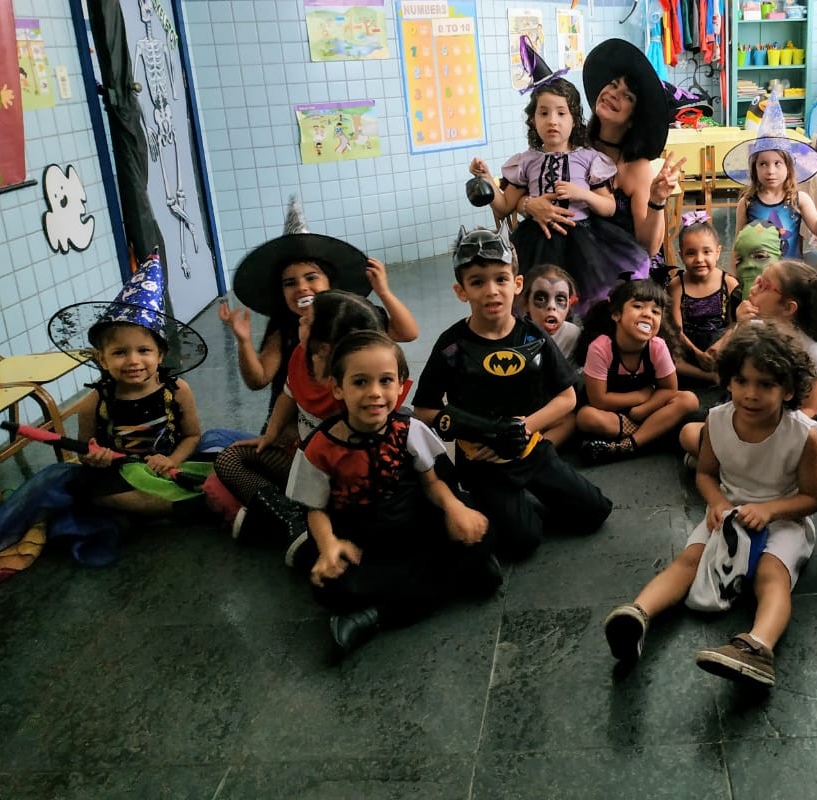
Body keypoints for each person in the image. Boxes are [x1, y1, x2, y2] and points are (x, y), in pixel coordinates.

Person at [603, 323, 817, 688]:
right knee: (688, 560)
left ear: (787, 390)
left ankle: (759, 646)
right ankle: (637, 615)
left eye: (765, 384)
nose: (750, 394)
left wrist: (769, 511)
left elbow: (812, 499)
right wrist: (718, 502)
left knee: (772, 575)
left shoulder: (802, 434)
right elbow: (705, 473)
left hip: (784, 519)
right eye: (741, 381)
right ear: (728, 380)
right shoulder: (716, 421)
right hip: (728, 512)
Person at [286, 331, 501, 657]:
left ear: (401, 386)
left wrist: (455, 508)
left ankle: (373, 615)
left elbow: (432, 484)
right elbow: (315, 509)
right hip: (363, 543)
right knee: (329, 586)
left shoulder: (409, 429)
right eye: (360, 382)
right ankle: (455, 582)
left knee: (481, 528)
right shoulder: (320, 447)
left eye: (385, 381)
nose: (374, 393)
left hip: (413, 528)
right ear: (337, 387)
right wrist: (329, 545)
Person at [412, 227, 612, 561]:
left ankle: (513, 504)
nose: (492, 290)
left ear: (517, 284)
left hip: (531, 449)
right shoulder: (451, 346)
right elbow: (423, 410)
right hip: (482, 462)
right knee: (523, 541)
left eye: (501, 279)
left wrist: (525, 427)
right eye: (477, 282)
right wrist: (479, 430)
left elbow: (567, 398)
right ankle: (474, 500)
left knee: (595, 511)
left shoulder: (533, 336)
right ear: (461, 291)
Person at [217, 290, 391, 563]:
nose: (300, 321)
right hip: (304, 462)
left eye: (308, 321)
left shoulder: (356, 385)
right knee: (229, 458)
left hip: (339, 478)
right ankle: (290, 518)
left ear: (324, 346)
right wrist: (270, 436)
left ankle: (280, 519)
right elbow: (288, 395)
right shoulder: (302, 355)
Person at [46, 251, 216, 520]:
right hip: (121, 471)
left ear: (160, 355)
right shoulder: (94, 402)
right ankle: (183, 508)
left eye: (144, 350)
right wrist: (94, 458)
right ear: (102, 359)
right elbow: (85, 450)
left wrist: (171, 460)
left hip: (171, 462)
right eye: (119, 352)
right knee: (92, 490)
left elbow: (192, 436)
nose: (133, 361)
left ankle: (172, 501)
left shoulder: (177, 390)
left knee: (224, 464)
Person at [217, 195, 417, 417]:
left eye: (311, 277)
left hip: (351, 416)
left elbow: (407, 333)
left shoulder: (352, 317)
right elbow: (259, 379)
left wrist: (384, 292)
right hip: (295, 419)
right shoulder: (283, 328)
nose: (302, 288)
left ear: (330, 282)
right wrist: (243, 342)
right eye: (290, 283)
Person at [468, 72, 648, 313]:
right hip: (536, 242)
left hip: (583, 242)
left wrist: (583, 194)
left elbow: (609, 207)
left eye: (561, 113)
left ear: (574, 120)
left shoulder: (589, 158)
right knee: (537, 302)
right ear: (532, 120)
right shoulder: (526, 161)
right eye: (543, 113)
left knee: (583, 304)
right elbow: (504, 207)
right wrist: (485, 177)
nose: (552, 120)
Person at [520, 39, 682, 264]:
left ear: (634, 119)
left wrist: (657, 200)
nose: (614, 94)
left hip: (624, 271)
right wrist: (529, 205)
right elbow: (520, 192)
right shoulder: (570, 146)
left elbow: (649, 247)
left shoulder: (637, 168)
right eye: (614, 85)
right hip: (565, 260)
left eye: (628, 96)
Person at [679, 260, 817, 460]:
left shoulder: (810, 349)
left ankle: (725, 464)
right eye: (757, 281)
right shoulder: (752, 328)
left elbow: (810, 408)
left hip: (779, 428)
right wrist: (739, 325)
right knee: (688, 433)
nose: (753, 289)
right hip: (741, 413)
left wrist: (776, 429)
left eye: (763, 286)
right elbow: (717, 365)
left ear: (788, 307)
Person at [576, 278, 699, 464]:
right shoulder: (600, 348)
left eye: (655, 311)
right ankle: (658, 434)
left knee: (689, 400)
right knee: (586, 417)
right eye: (638, 306)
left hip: (648, 409)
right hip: (612, 412)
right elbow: (598, 400)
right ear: (616, 314)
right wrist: (640, 396)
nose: (648, 314)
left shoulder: (657, 346)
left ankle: (628, 445)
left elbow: (669, 388)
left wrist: (642, 410)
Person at [725, 95, 817, 261]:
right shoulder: (747, 202)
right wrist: (733, 274)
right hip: (758, 274)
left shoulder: (799, 199)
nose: (770, 171)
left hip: (790, 274)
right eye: (763, 164)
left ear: (788, 167)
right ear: (754, 168)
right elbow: (738, 245)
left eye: (778, 163)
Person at [668, 211, 738, 387]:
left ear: (718, 252)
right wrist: (696, 353)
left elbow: (735, 324)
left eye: (707, 252)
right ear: (681, 255)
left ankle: (721, 374)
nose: (699, 259)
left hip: (720, 347)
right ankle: (710, 377)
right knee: (665, 356)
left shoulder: (728, 283)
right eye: (691, 253)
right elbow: (676, 330)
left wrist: (719, 346)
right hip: (688, 348)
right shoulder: (677, 286)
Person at [520, 263, 582, 448]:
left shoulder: (573, 335)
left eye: (560, 300)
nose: (551, 307)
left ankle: (538, 451)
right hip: (520, 410)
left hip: (551, 407)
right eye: (541, 298)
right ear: (526, 302)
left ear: (570, 304)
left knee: (570, 421)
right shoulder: (517, 334)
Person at [732, 221, 782, 299]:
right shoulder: (732, 298)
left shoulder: (792, 298)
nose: (748, 265)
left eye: (759, 257)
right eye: (740, 260)